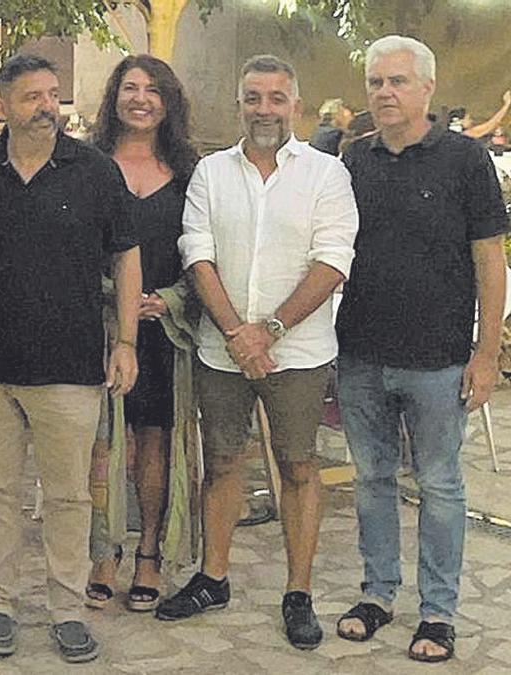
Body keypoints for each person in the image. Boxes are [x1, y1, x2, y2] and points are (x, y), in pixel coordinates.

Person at [0, 54, 141, 664]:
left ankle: (67, 609)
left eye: (52, 94)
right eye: (32, 96)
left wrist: (127, 340)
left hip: (70, 364)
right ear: (3, 106)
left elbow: (126, 258)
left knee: (68, 497)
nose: (46, 106)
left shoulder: (94, 171)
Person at [161, 55, 358, 652]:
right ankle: (213, 576)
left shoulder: (326, 174)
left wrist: (266, 330)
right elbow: (197, 252)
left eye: (276, 98)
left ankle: (298, 591)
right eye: (253, 97)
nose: (264, 109)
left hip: (297, 353)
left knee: (298, 466)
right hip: (223, 351)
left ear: (294, 105)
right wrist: (235, 333)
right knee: (221, 462)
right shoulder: (211, 174)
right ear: (239, 102)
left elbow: (333, 261)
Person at [334, 35, 508, 663]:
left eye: (398, 81)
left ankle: (437, 612)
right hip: (358, 354)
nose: (385, 92)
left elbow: (490, 260)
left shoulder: (466, 161)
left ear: (428, 89)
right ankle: (378, 593)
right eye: (377, 82)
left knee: (440, 485)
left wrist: (486, 354)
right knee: (372, 478)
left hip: (438, 360)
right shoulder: (352, 161)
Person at [85, 54, 202, 615]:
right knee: (102, 444)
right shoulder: (86, 164)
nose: (140, 98)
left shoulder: (190, 172)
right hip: (99, 328)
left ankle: (150, 553)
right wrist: (115, 300)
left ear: (168, 101)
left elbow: (206, 250)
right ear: (114, 99)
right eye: (129, 87)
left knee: (153, 441)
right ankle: (102, 551)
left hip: (162, 330)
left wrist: (172, 299)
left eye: (152, 89)